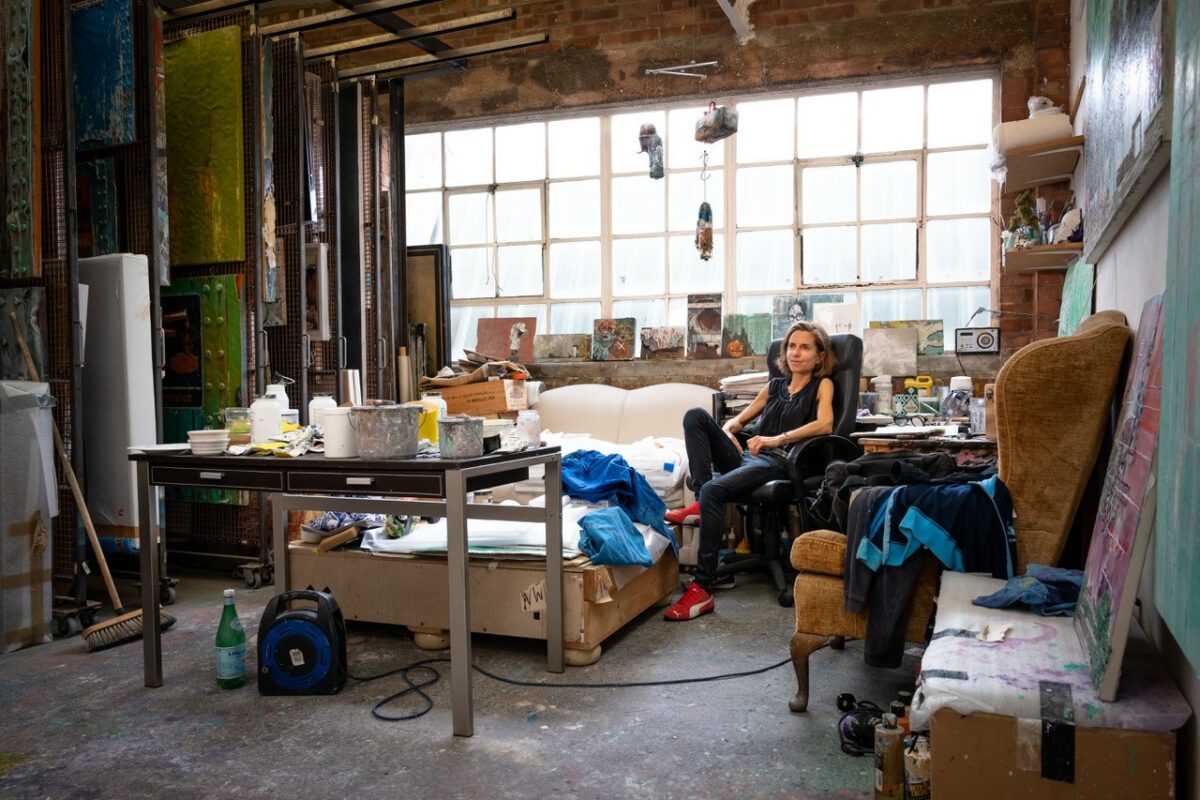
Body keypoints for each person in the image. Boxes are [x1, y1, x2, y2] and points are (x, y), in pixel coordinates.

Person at [662, 321, 838, 621]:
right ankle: (703, 503)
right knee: (696, 416)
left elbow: (825, 424)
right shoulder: (775, 386)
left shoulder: (822, 385)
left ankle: (702, 588)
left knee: (714, 491)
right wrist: (730, 431)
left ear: (820, 356)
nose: (796, 353)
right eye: (792, 346)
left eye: (805, 347)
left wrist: (776, 438)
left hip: (779, 461)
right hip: (749, 457)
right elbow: (738, 421)